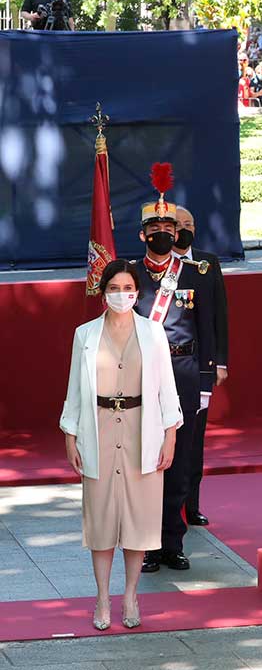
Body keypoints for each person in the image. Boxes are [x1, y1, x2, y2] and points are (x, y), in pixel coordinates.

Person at [60, 260, 181, 630]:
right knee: (100, 519)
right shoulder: (85, 335)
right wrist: (71, 434)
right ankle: (101, 597)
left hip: (141, 428)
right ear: (103, 292)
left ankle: (130, 594)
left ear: (137, 292)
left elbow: (166, 388)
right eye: (114, 288)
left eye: (128, 288)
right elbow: (75, 390)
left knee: (138, 519)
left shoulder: (153, 332)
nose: (121, 295)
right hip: (97, 427)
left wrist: (169, 435)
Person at [132, 181, 216, 574]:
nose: (163, 235)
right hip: (143, 375)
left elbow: (207, 328)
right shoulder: (129, 276)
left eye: (170, 229)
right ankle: (148, 546)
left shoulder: (195, 272)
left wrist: (205, 381)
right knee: (148, 461)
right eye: (155, 230)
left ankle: (172, 543)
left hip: (183, 371)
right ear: (143, 235)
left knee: (180, 460)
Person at [172, 206, 229, 528]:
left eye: (189, 223)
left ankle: (191, 506)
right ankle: (166, 508)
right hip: (167, 365)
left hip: (199, 366)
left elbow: (220, 315)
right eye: (178, 225)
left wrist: (220, 361)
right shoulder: (158, 267)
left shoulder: (208, 264)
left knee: (194, 442)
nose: (184, 229)